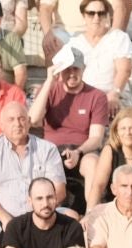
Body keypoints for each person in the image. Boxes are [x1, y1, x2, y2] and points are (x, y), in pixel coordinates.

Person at [31, 47, 110, 210]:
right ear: (59, 71)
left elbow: (96, 138)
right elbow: (33, 119)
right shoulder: (49, 90)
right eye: (67, 69)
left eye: (76, 68)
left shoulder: (97, 96)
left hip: (83, 149)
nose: (72, 73)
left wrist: (78, 152)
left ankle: (92, 213)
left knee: (93, 163)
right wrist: (49, 82)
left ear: (83, 69)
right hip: (51, 149)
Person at [0, 100, 64, 221]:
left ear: (29, 122)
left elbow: (60, 190)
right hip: (1, 218)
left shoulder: (47, 149)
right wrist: (4, 217)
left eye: (21, 119)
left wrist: (38, 216)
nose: (17, 124)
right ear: (1, 124)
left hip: (42, 217)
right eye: (11, 120)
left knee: (70, 215)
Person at [49, 0, 132, 101]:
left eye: (101, 13)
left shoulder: (119, 38)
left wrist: (114, 94)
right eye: (91, 13)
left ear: (107, 15)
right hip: (83, 98)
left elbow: (124, 70)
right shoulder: (74, 43)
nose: (96, 18)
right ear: (83, 16)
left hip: (115, 96)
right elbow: (61, 76)